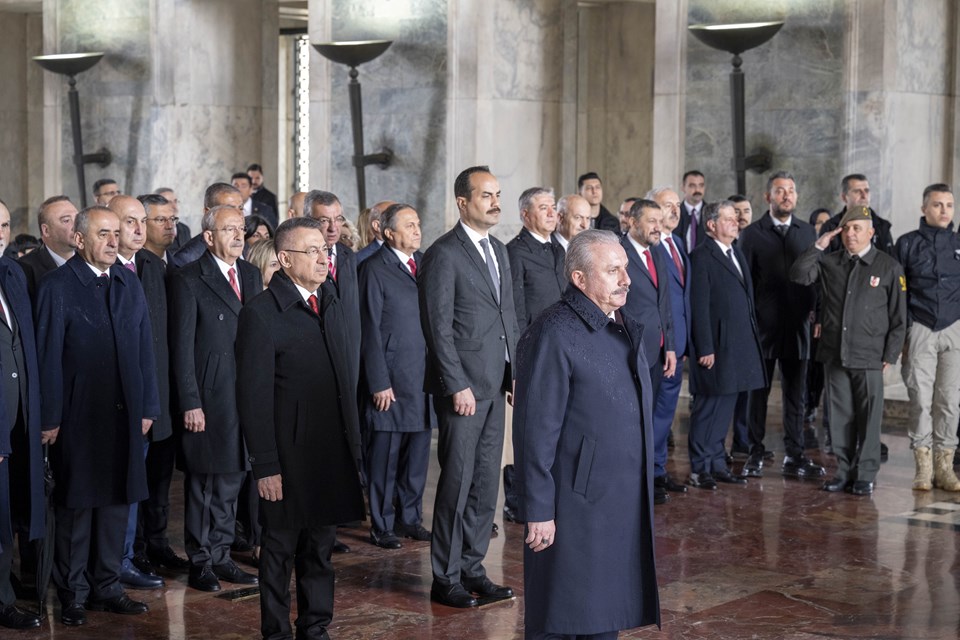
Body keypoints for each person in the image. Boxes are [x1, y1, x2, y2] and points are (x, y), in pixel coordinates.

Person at [513, 229, 660, 639]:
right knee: (564, 609)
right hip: (574, 500)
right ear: (580, 279)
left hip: (617, 495)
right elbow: (535, 428)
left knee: (604, 610)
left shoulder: (621, 325)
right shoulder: (555, 331)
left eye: (625, 269)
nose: (625, 279)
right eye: (612, 271)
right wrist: (539, 508)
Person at [236, 217, 365, 640]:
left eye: (324, 249)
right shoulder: (260, 312)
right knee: (279, 551)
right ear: (285, 259)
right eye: (311, 251)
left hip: (329, 449)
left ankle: (315, 627)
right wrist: (265, 465)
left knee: (320, 550)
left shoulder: (330, 298)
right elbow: (253, 397)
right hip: (287, 455)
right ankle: (275, 632)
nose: (323, 257)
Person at [36, 206, 159, 625]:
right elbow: (47, 355)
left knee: (117, 503)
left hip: (125, 414)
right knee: (78, 506)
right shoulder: (58, 286)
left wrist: (148, 407)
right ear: (80, 239)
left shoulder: (129, 282)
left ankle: (107, 585)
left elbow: (145, 350)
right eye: (102, 234)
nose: (112, 240)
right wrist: (49, 417)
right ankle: (73, 592)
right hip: (78, 416)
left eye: (115, 232)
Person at [419, 165, 520, 608]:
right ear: (463, 202)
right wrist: (455, 383)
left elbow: (509, 318)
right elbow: (437, 328)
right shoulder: (443, 253)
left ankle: (473, 568)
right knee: (457, 485)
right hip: (463, 391)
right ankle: (445, 577)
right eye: (486, 195)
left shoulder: (499, 249)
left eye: (498, 195)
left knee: (485, 484)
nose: (495, 202)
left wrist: (515, 374)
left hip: (496, 387)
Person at [168, 204, 262, 592]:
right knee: (206, 483)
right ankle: (201, 560)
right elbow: (182, 347)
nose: (239, 236)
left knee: (233, 479)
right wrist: (191, 401)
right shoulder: (189, 278)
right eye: (229, 230)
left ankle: (222, 555)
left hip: (245, 396)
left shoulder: (252, 275)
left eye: (241, 229)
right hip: (210, 398)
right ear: (209, 237)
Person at [791, 205, 906, 496]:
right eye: (847, 228)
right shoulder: (830, 263)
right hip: (834, 352)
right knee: (840, 418)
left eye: (858, 228)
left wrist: (890, 355)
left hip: (870, 356)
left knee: (869, 418)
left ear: (871, 232)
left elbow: (898, 318)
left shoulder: (888, 267)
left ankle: (865, 474)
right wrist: (819, 245)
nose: (852, 234)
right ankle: (843, 471)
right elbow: (799, 275)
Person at [737, 172, 824, 480]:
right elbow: (744, 284)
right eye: (780, 191)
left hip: (797, 327)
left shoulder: (806, 232)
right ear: (768, 197)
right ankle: (755, 452)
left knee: (795, 395)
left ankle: (795, 454)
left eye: (790, 190)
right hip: (762, 329)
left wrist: (816, 313)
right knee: (757, 395)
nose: (786, 195)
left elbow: (816, 279)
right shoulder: (752, 234)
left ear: (796, 197)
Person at [359, 204, 433, 549]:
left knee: (417, 457)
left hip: (421, 378)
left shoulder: (424, 266)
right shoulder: (374, 269)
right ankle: (382, 524)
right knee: (385, 459)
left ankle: (410, 518)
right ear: (388, 233)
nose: (417, 231)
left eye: (418, 224)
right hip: (390, 380)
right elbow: (368, 329)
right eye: (409, 225)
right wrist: (378, 380)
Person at [686, 201, 766, 490]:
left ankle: (717, 463)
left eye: (736, 219)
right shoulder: (701, 257)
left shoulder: (736, 253)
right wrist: (705, 347)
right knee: (708, 408)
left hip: (737, 347)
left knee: (726, 408)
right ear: (711, 225)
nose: (736, 223)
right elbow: (699, 306)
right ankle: (699, 467)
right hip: (716, 347)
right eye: (729, 219)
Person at [108, 196, 166, 591]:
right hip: (102, 404)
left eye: (142, 221)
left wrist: (152, 402)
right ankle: (108, 565)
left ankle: (128, 557)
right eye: (130, 222)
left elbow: (156, 344)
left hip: (145, 402)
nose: (139, 229)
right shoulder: (98, 272)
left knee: (137, 489)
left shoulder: (153, 268)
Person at [895, 184, 960, 491]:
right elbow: (898, 293)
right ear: (924, 209)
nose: (944, 210)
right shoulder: (907, 244)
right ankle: (923, 467)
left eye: (949, 205)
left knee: (950, 400)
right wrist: (905, 333)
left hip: (955, 328)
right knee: (920, 399)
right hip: (920, 326)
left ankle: (945, 467)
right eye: (937, 205)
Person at [0, 198, 45, 630]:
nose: (0, 232)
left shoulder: (12, 272)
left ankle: (5, 590)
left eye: (5, 224)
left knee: (10, 513)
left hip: (18, 418)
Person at [619, 199, 679, 504]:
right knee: (628, 419)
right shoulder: (619, 252)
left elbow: (664, 304)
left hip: (656, 352)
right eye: (652, 221)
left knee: (650, 417)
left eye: (661, 220)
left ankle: (647, 479)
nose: (659, 226)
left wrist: (670, 346)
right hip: (628, 350)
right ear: (633, 221)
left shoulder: (658, 252)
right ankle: (628, 481)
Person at [649, 186, 688, 453]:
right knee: (653, 414)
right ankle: (649, 476)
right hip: (659, 346)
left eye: (677, 205)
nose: (675, 210)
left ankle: (659, 471)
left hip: (679, 343)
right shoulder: (649, 248)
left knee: (666, 414)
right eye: (667, 205)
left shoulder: (679, 244)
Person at [817, 173, 896, 256]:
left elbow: (889, 262)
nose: (864, 196)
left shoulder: (883, 226)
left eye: (866, 191)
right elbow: (823, 263)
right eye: (857, 191)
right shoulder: (830, 227)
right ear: (844, 197)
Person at [171, 183, 244, 268]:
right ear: (207, 212)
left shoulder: (247, 245)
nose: (239, 214)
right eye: (229, 209)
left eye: (241, 208)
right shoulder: (186, 259)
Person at [19, 195, 78, 300]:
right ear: (46, 230)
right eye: (66, 220)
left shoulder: (90, 259)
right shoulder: (23, 269)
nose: (76, 225)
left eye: (77, 218)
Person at [152, 188, 192, 254]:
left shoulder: (185, 229)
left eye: (175, 201)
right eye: (168, 202)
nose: (174, 206)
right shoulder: (152, 230)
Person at [678, 170, 707, 253]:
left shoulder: (713, 214)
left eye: (701, 185)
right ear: (683, 187)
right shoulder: (674, 214)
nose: (697, 190)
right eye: (692, 186)